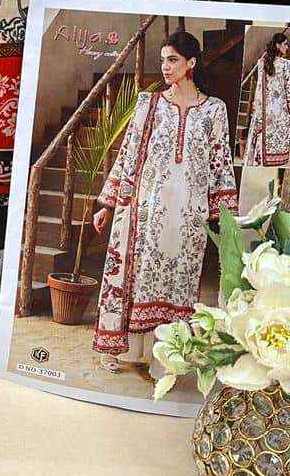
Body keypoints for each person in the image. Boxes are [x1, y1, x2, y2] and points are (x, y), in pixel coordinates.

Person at [90, 32, 237, 375]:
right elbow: (128, 154)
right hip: (146, 210)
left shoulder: (214, 110)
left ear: (191, 63)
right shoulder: (149, 104)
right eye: (162, 60)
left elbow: (220, 163)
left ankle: (166, 357)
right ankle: (120, 349)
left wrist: (225, 217)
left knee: (179, 283)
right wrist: (107, 204)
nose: (165, 67)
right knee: (138, 278)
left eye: (173, 60)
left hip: (189, 215)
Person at [244, 27, 290, 167]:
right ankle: (276, 159)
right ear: (278, 45)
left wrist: (257, 109)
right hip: (279, 111)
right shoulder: (286, 65)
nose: (287, 47)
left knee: (263, 135)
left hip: (264, 111)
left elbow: (259, 89)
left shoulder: (262, 62)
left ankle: (261, 158)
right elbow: (288, 89)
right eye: (285, 44)